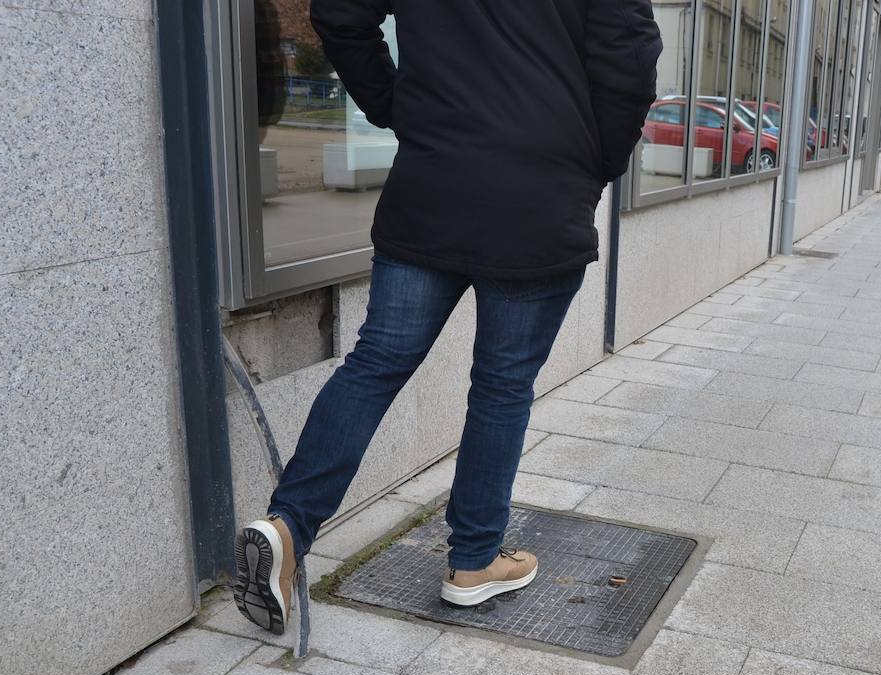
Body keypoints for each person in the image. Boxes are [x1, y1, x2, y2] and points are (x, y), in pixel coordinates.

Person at [233, 0, 663, 634]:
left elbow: (339, 12)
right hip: (540, 198)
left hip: (433, 184)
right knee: (502, 385)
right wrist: (598, 157)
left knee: (377, 360)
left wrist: (396, 105)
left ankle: (288, 524)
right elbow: (630, 57)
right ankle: (473, 562)